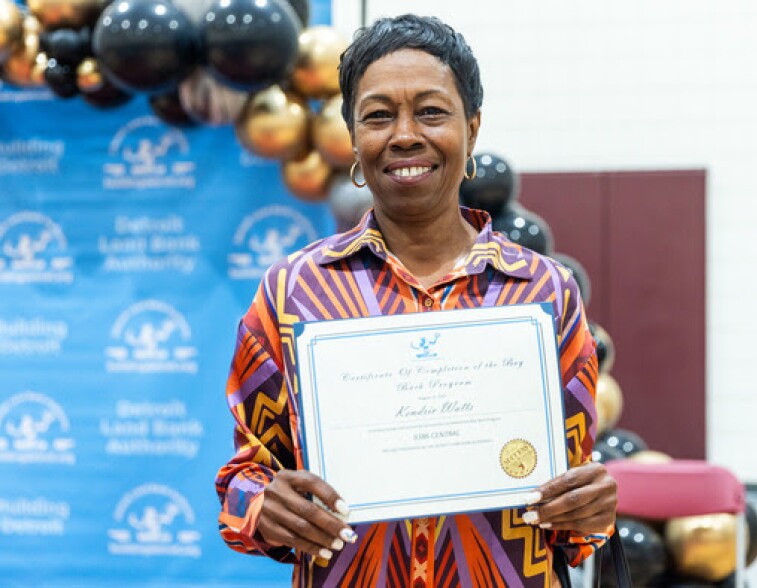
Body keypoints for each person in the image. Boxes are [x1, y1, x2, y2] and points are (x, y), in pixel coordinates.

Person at [216, 14, 617, 587]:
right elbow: (243, 478)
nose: (405, 134)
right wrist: (264, 506)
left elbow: (572, 508)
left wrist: (590, 508)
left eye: (431, 111)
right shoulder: (293, 293)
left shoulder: (544, 293)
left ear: (472, 130)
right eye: (379, 115)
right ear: (353, 136)